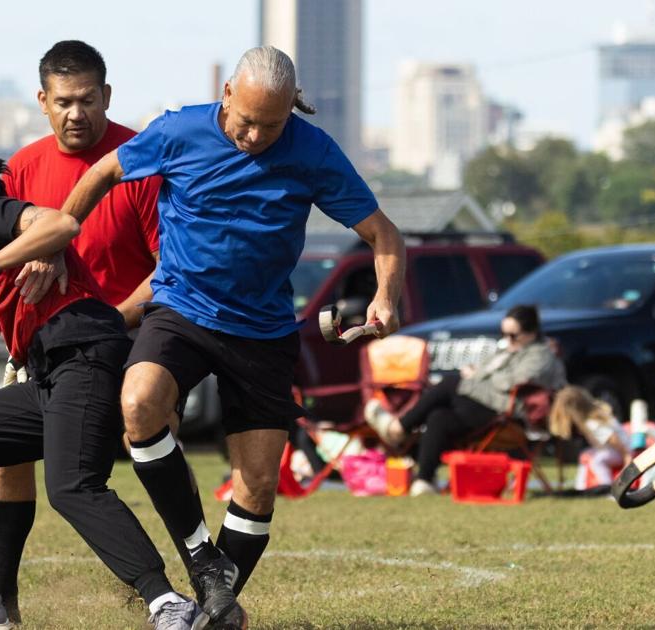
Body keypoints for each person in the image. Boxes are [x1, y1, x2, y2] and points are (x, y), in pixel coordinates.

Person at [60, 45, 407, 629]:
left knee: (259, 483)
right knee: (139, 404)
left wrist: (385, 297)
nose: (253, 135)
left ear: (290, 113)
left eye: (271, 125)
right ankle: (202, 559)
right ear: (226, 96)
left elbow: (385, 235)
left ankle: (213, 609)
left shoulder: (313, 151)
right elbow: (103, 172)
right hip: (181, 309)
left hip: (263, 332)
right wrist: (57, 243)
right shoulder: (178, 131)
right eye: (245, 120)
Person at [0, 114, 198, 630]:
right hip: (48, 377)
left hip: (88, 354)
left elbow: (61, 223)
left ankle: (168, 603)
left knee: (72, 486)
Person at [0, 40, 173, 623]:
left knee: (153, 441)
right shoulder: (18, 170)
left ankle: (195, 582)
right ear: (42, 101)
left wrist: (108, 325)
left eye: (87, 99)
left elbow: (169, 271)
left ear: (106, 96)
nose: (75, 113)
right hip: (50, 350)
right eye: (63, 101)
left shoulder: (138, 164)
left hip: (132, 339)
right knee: (5, 459)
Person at [366, 305, 567, 496]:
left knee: (449, 384)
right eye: (504, 334)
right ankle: (424, 480)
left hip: (510, 415)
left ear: (531, 333)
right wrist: (477, 375)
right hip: (487, 407)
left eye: (513, 335)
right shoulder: (507, 351)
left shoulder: (541, 356)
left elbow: (511, 383)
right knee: (439, 417)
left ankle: (398, 428)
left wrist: (475, 376)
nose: (507, 340)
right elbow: (488, 375)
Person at [548, 385, 630, 489]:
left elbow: (615, 440)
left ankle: (606, 487)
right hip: (612, 450)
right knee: (585, 455)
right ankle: (581, 488)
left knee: (597, 461)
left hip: (621, 451)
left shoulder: (593, 424)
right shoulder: (590, 419)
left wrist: (627, 458)